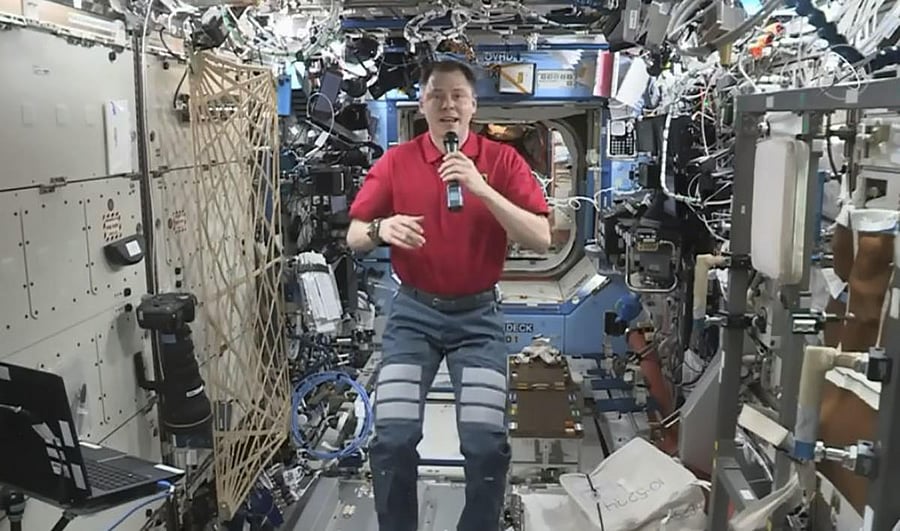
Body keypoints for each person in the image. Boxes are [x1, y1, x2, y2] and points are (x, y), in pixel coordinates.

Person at [346, 59, 552, 531]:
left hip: (478, 320)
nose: (448, 105)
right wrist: (380, 228)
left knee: (485, 444)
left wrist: (481, 187)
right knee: (392, 439)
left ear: (474, 106)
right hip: (413, 314)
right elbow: (354, 234)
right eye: (436, 95)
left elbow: (541, 237)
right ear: (421, 106)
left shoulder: (502, 162)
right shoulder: (396, 162)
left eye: (458, 95)